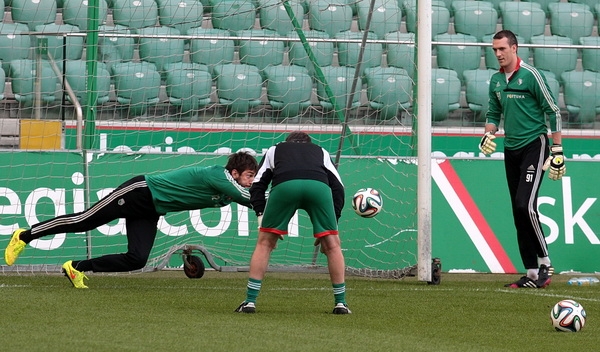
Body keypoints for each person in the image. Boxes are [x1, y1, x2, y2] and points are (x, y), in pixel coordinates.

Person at [4, 152, 258, 288]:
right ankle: (24, 235)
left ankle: (76, 267)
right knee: (84, 221)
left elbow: (249, 198)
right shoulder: (219, 175)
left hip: (151, 209)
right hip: (139, 192)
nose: (251, 180)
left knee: (137, 259)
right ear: (234, 172)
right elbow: (249, 197)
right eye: (249, 175)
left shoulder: (228, 193)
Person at [479, 30, 565, 289]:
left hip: (534, 145)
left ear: (514, 48)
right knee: (518, 212)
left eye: (502, 49)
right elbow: (493, 113)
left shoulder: (532, 76)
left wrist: (557, 148)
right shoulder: (495, 80)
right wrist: (487, 134)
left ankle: (545, 265)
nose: (498, 54)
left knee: (525, 205)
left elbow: (553, 111)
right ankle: (530, 272)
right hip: (511, 148)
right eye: (494, 49)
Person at [235, 131, 350, 314]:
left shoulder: (275, 149)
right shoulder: (321, 151)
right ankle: (341, 303)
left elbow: (258, 185)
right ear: (308, 144)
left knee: (264, 243)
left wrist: (260, 215)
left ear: (287, 142)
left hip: (285, 186)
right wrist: (332, 223)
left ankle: (250, 302)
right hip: (318, 187)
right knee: (333, 246)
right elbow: (338, 187)